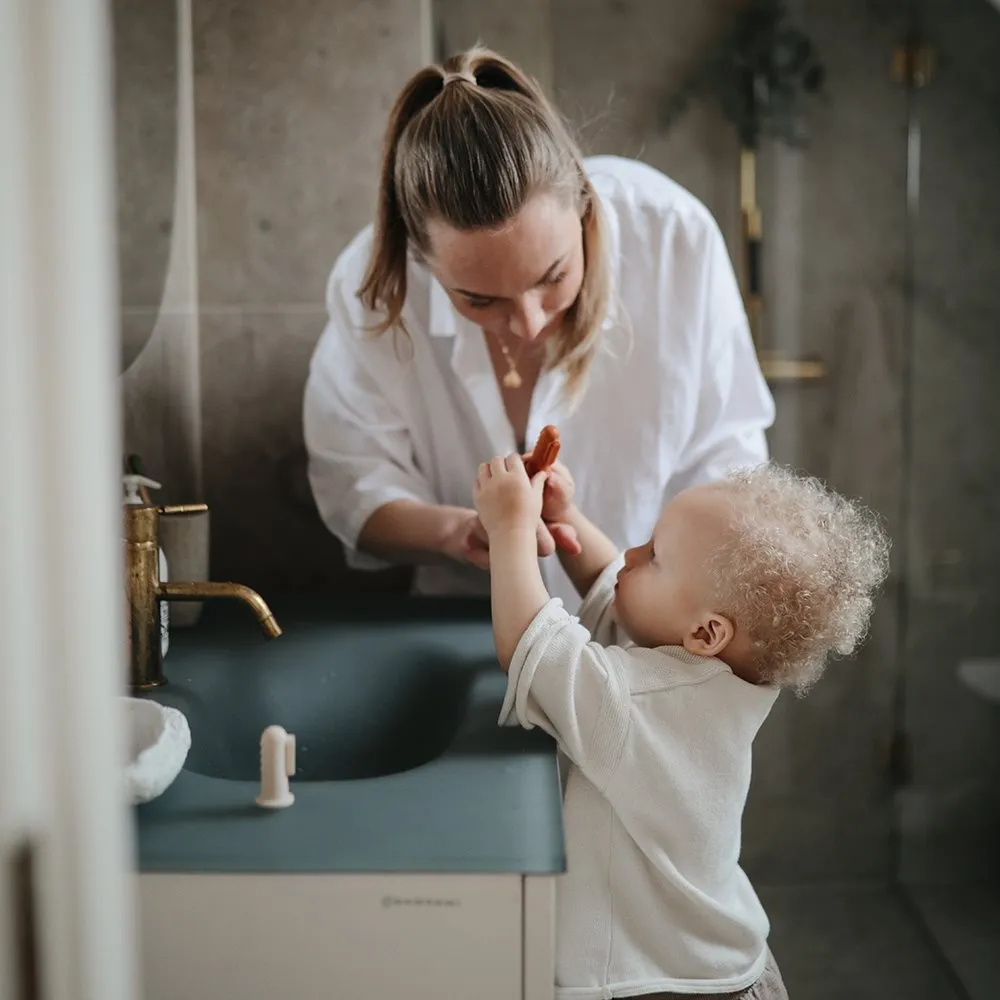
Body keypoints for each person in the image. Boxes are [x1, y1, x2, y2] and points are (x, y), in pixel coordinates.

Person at [303, 45, 775, 609]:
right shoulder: (376, 288)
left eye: (552, 276)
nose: (528, 324)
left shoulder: (675, 239)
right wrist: (463, 533)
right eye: (479, 299)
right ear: (423, 261)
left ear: (584, 209)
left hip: (655, 628)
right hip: (464, 621)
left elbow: (731, 462)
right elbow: (352, 483)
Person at [472, 453, 891, 999]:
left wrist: (507, 528)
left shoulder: (643, 705)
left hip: (656, 984)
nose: (630, 553)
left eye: (654, 556)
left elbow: (533, 648)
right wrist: (565, 514)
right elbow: (615, 590)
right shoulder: (710, 681)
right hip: (715, 965)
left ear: (707, 632)